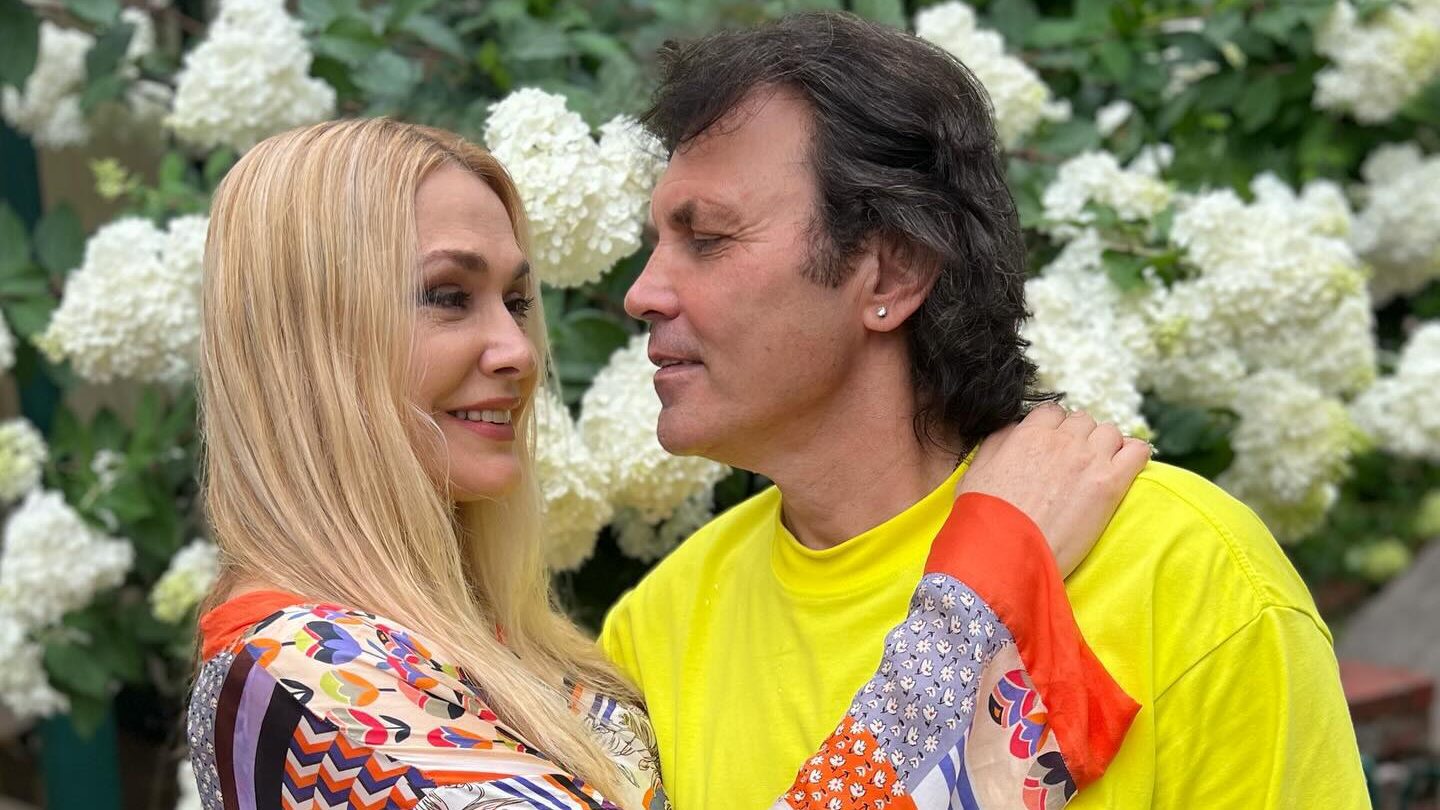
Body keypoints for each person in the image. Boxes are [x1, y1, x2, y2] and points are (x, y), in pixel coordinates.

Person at [187, 117, 1144, 809]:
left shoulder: (495, 643)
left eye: (516, 301)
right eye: (447, 296)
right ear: (306, 342)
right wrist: (984, 588)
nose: (516, 350)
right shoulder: (294, 683)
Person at [600, 11, 1369, 810]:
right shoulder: (656, 628)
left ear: (893, 274)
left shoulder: (1184, 572)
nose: (642, 293)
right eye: (657, 243)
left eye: (707, 238)